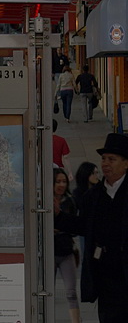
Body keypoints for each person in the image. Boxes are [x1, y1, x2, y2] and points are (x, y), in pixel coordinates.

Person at [55, 133, 128, 321]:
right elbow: (84, 225)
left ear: (126, 164)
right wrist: (59, 216)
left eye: (112, 159)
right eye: (103, 159)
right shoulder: (93, 196)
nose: (105, 164)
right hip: (106, 279)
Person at [54, 167, 82, 323]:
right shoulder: (43, 200)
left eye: (64, 181)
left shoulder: (69, 201)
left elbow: (75, 227)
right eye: (58, 181)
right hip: (49, 251)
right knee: (47, 292)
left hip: (66, 250)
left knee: (71, 292)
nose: (61, 185)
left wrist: (61, 227)